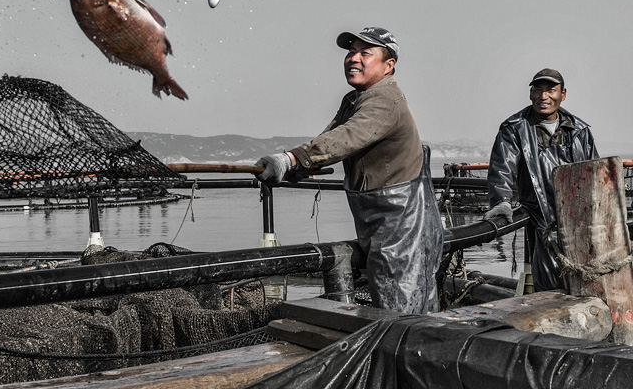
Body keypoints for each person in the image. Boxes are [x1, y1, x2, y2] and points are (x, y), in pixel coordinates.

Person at [255, 27, 443, 312]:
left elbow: (348, 137)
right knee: (389, 308)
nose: (354, 58)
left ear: (388, 65)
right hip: (380, 223)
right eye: (351, 51)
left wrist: (291, 159)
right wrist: (297, 167)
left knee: (403, 314)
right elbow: (330, 140)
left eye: (365, 53)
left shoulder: (384, 100)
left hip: (404, 226)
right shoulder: (354, 99)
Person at [485, 68, 598, 291]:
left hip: (577, 220)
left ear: (562, 94)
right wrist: (501, 201)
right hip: (540, 219)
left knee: (586, 280)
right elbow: (502, 167)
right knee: (548, 285)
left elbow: (594, 174)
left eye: (551, 90)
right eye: (538, 90)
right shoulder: (514, 128)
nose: (543, 96)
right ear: (531, 94)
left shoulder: (580, 131)